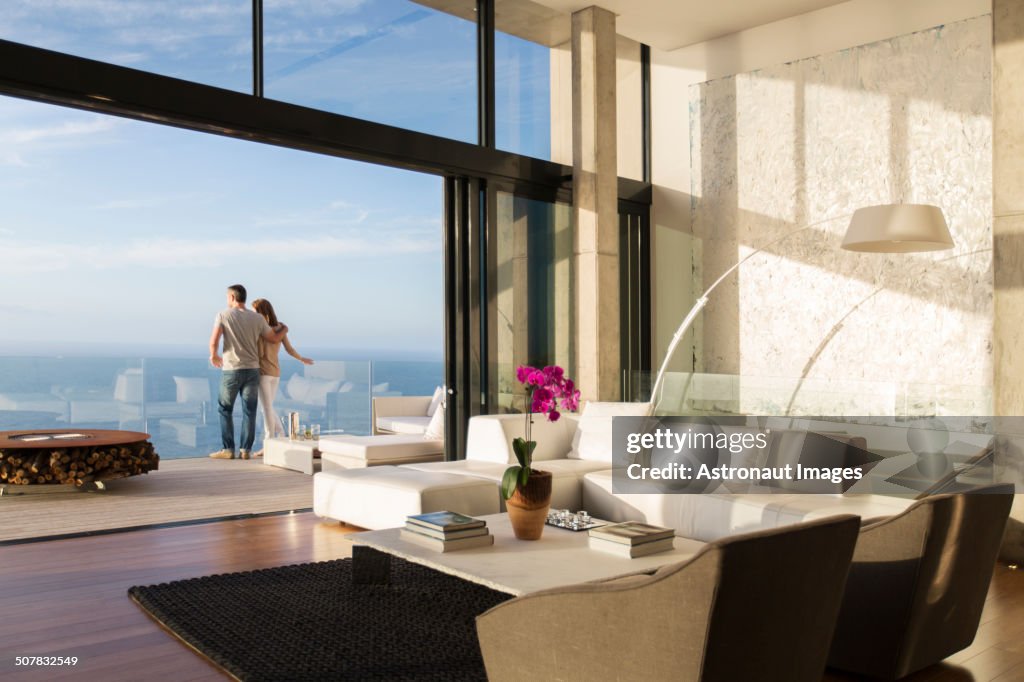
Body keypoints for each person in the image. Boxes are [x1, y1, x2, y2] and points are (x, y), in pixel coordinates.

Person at [208, 284, 288, 460]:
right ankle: (245, 450)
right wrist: (284, 329)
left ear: (232, 298)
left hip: (232, 370)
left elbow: (214, 340)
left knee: (225, 409)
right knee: (249, 411)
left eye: (227, 296)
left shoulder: (223, 315)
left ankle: (228, 450)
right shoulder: (258, 318)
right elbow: (274, 338)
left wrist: (213, 355)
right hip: (253, 370)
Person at [251, 298, 313, 457]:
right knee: (268, 407)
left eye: (254, 310)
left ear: (260, 312)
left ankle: (269, 443)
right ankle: (281, 434)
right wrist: (301, 358)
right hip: (275, 373)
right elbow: (289, 349)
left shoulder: (259, 328)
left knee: (265, 409)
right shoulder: (279, 328)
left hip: (263, 373)